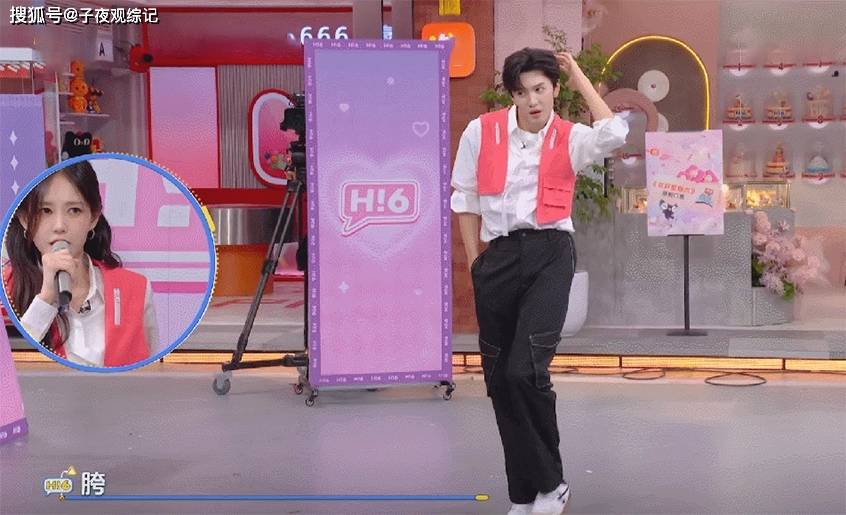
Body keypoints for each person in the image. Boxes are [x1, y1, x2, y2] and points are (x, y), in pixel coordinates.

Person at [450, 48, 628, 515]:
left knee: (525, 372)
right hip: (498, 259)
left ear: (554, 90)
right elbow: (464, 199)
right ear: (511, 95)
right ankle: (525, 494)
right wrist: (476, 264)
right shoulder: (481, 131)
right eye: (522, 91)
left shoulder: (571, 138)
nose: (532, 100)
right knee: (499, 381)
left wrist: (579, 74)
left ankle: (552, 485)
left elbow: (615, 132)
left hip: (550, 254)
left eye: (540, 89)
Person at [3, 161, 158, 368]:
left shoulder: (135, 288)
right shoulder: (6, 288)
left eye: (74, 210)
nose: (60, 226)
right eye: (45, 210)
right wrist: (46, 298)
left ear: (93, 217)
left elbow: (155, 373)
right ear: (24, 218)